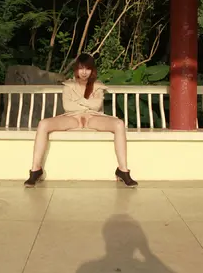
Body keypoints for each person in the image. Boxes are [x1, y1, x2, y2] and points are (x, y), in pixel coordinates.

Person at [24, 53, 138, 187]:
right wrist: (87, 103)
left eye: (88, 69)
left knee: (119, 124)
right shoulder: (68, 86)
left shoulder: (97, 86)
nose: (84, 72)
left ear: (92, 70)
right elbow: (68, 106)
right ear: (76, 69)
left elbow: (96, 106)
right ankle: (36, 169)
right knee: (43, 124)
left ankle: (123, 170)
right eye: (81, 68)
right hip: (72, 117)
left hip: (93, 117)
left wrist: (79, 100)